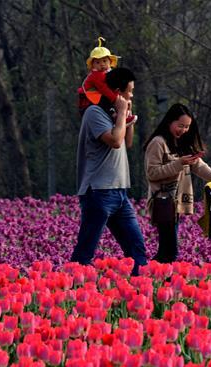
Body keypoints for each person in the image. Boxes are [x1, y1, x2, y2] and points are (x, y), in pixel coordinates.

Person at [70, 67, 148, 276]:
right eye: (129, 91)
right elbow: (114, 141)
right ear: (117, 91)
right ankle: (70, 290)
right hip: (98, 192)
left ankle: (141, 293)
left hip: (119, 192)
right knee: (85, 253)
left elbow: (127, 142)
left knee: (137, 249)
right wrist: (122, 114)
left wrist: (127, 118)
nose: (131, 95)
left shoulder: (115, 114)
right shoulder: (94, 112)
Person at [143, 103, 211, 263]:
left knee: (167, 249)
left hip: (176, 203)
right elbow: (152, 173)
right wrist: (179, 163)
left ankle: (155, 275)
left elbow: (199, 167)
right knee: (169, 251)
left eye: (187, 127)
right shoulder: (158, 143)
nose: (184, 130)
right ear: (169, 122)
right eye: (181, 125)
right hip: (163, 202)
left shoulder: (181, 142)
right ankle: (153, 276)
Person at [78, 37, 136, 125]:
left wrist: (119, 94)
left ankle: (124, 115)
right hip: (90, 97)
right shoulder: (96, 75)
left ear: (110, 62)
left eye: (104, 61)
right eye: (97, 62)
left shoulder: (108, 73)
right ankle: (115, 117)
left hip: (99, 94)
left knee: (114, 98)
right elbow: (104, 89)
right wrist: (115, 99)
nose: (102, 64)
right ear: (93, 65)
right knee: (106, 101)